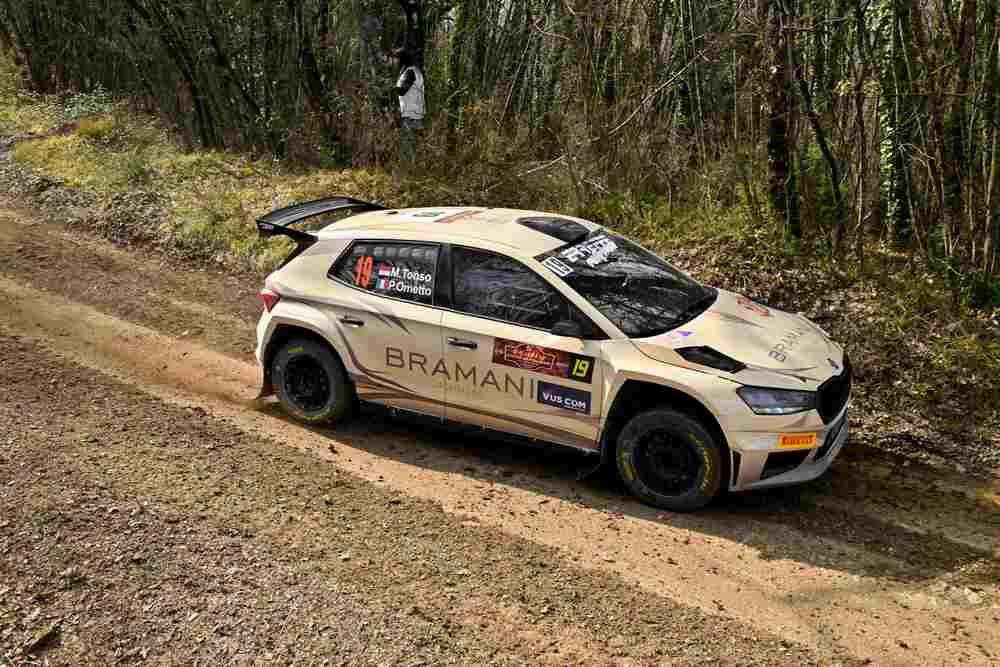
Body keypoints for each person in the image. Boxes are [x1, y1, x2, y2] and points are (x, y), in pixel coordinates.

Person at [394, 48, 425, 167]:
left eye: (397, 59)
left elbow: (402, 90)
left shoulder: (410, 72)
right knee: (413, 145)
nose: (396, 62)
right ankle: (413, 168)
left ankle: (408, 169)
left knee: (407, 145)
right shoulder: (414, 71)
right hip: (416, 113)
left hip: (411, 115)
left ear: (402, 59)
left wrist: (389, 87)